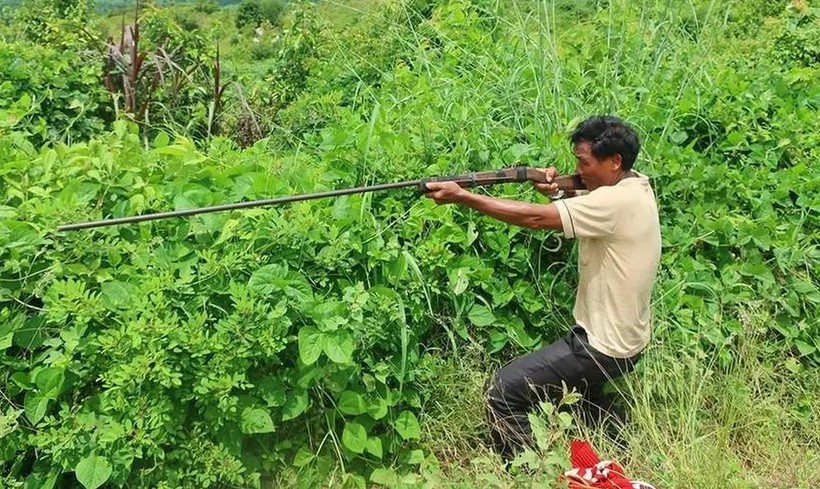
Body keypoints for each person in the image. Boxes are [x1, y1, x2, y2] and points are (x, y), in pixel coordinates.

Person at [423, 115, 661, 460]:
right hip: (629, 339)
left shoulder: (614, 202)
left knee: (502, 391)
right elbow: (586, 192)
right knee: (585, 395)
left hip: (602, 346)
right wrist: (562, 188)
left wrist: (464, 197)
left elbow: (535, 218)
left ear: (615, 161)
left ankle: (530, 470)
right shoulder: (635, 185)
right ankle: (621, 448)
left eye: (584, 163)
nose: (580, 169)